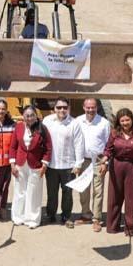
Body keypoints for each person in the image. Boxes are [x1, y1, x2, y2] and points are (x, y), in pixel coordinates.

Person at [99, 108, 133, 236]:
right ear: (118, 122)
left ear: (132, 119)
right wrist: (104, 159)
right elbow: (108, 149)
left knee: (132, 199)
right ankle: (112, 226)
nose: (125, 123)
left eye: (127, 120)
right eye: (122, 120)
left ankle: (130, 228)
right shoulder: (115, 133)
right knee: (114, 197)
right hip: (117, 167)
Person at [42, 97, 84, 227]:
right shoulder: (47, 121)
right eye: (59, 107)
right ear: (54, 109)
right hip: (51, 165)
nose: (62, 110)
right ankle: (51, 215)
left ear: (69, 108)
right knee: (52, 192)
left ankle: (66, 217)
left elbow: (79, 144)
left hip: (68, 166)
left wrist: (78, 164)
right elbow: (42, 141)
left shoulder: (74, 123)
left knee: (67, 194)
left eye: (65, 107)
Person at [10, 106, 52, 228]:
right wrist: (12, 164)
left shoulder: (42, 128)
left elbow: (48, 148)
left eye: (32, 115)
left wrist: (44, 164)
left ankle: (32, 219)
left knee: (34, 192)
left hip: (36, 165)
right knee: (19, 191)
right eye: (27, 115)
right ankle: (18, 217)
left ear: (36, 116)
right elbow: (13, 146)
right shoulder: (18, 127)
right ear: (23, 116)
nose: (29, 118)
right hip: (20, 164)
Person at [74, 98, 111, 232]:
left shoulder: (104, 123)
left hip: (98, 161)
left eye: (93, 107)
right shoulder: (78, 121)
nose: (90, 110)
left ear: (97, 108)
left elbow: (108, 144)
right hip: (83, 160)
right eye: (88, 107)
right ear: (83, 107)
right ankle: (85, 214)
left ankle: (96, 219)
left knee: (98, 190)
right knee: (83, 189)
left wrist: (105, 162)